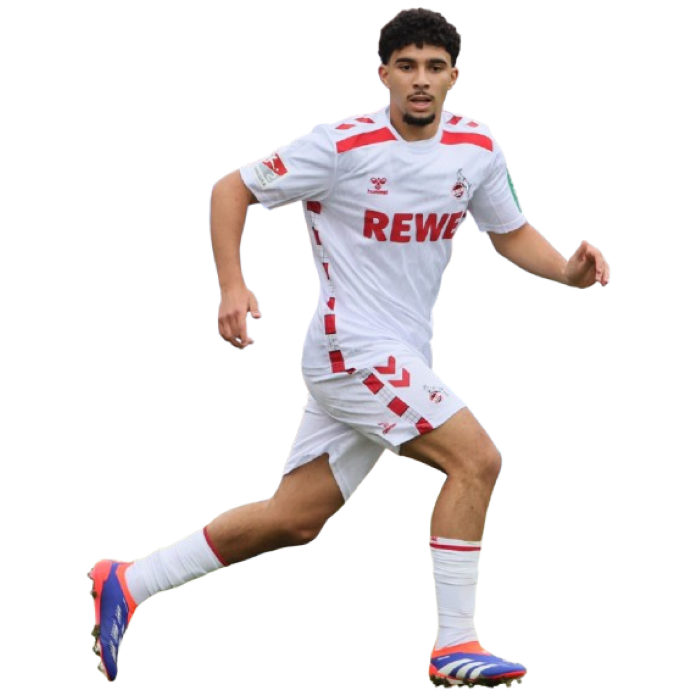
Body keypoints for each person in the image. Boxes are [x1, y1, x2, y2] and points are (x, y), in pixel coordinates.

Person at [87, 7, 610, 688]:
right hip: (351, 347)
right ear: (383, 73)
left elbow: (508, 232)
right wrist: (233, 286)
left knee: (294, 519)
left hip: (400, 356)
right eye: (406, 66)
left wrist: (567, 272)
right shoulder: (341, 144)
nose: (419, 79)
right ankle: (455, 643)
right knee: (477, 460)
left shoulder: (477, 146)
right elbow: (231, 189)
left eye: (433, 67)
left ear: (453, 77)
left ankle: (130, 580)